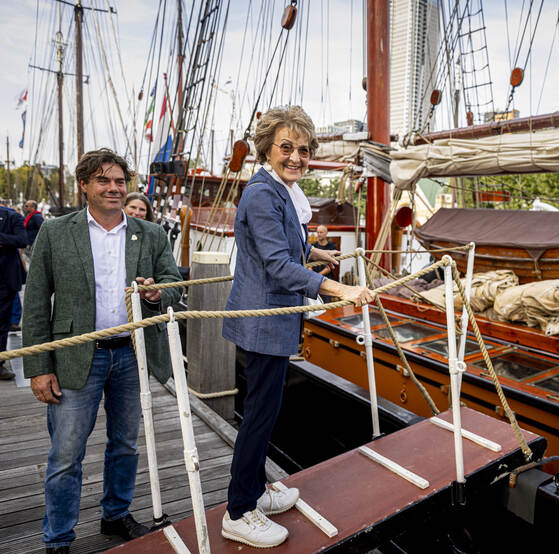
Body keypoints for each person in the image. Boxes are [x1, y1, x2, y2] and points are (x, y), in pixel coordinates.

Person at [221, 106, 375, 548]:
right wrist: (337, 290)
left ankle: (254, 491)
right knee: (258, 416)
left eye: (304, 150)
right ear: (267, 147)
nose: (296, 156)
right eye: (287, 147)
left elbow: (285, 250)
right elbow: (273, 264)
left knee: (265, 412)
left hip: (275, 317)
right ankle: (238, 510)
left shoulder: (280, 190)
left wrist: (314, 255)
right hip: (264, 320)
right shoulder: (261, 194)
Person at [22, 148, 182, 553]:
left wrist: (158, 292)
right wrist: (39, 367)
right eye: (103, 180)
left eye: (119, 181)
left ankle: (116, 513)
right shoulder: (56, 232)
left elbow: (174, 284)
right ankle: (58, 537)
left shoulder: (151, 233)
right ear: (84, 186)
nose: (113, 188)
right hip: (78, 357)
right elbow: (37, 302)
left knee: (125, 443)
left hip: (132, 354)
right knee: (65, 454)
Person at [0, 198, 28, 380]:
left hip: (3, 280)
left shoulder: (11, 217)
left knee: (1, 325)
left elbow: (22, 240)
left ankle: (0, 363)